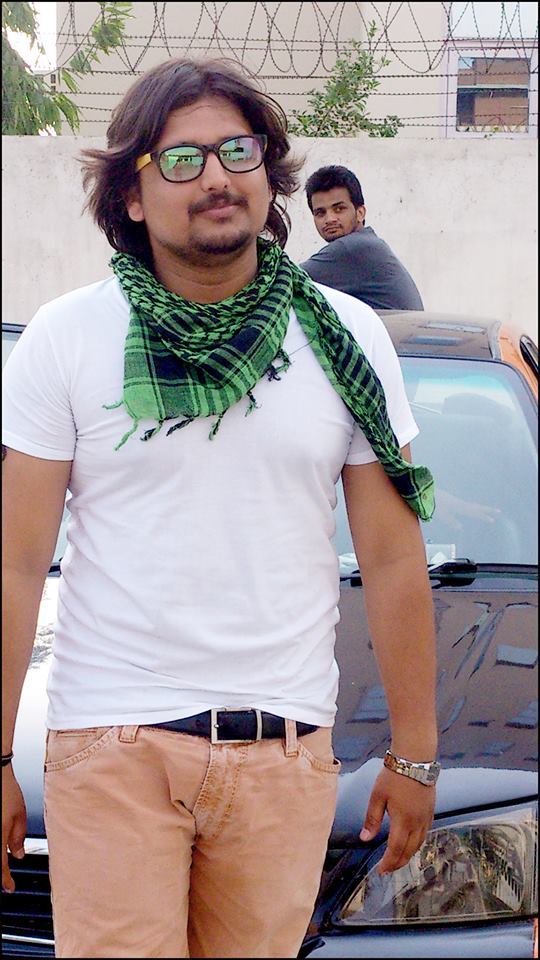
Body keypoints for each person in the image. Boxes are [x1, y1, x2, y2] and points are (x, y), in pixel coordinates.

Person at [2, 58, 439, 960]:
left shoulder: (346, 337)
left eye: (238, 151)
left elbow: (394, 557)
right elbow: (14, 563)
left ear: (267, 173)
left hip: (284, 750)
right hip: (113, 741)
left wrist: (415, 751)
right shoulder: (66, 336)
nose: (216, 176)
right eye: (182, 158)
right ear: (131, 194)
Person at [301, 165, 424, 311]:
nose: (329, 219)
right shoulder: (368, 243)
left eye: (339, 209)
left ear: (360, 213)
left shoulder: (352, 248)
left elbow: (285, 277)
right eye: (320, 213)